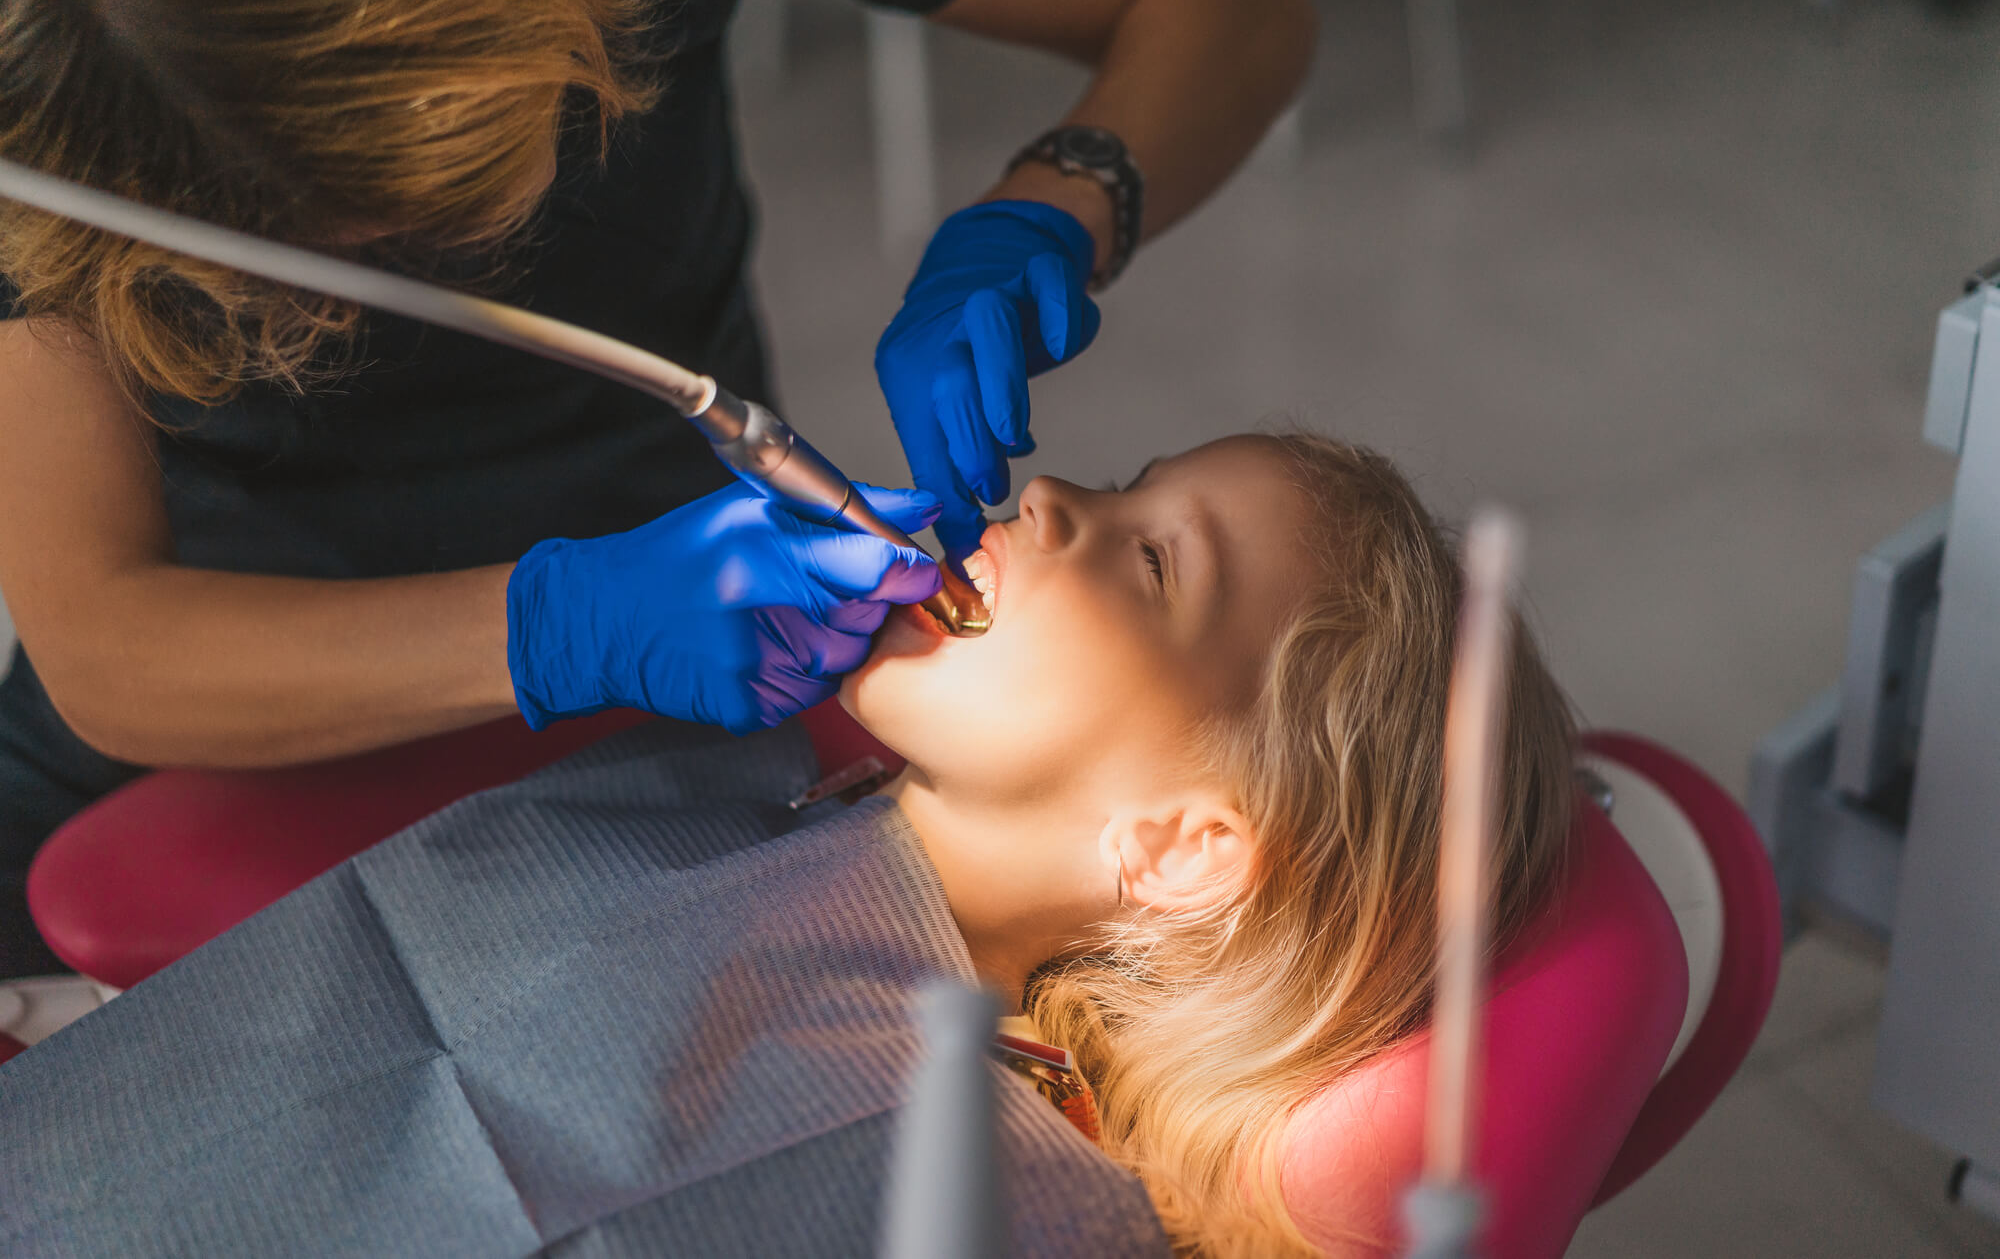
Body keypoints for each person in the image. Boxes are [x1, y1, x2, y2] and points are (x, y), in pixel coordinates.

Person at [0, 0, 1319, 976]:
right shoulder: (51, 72)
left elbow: (1225, 2)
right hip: (207, 728)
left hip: (686, 695)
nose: (330, 313)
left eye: (383, 225)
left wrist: (1056, 202)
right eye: (259, 268)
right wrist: (552, 626)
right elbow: (104, 648)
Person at [0, 432, 1577, 1257]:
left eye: (1153, 556)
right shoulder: (723, 776)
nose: (1044, 492)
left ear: (1178, 849)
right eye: (1120, 476)